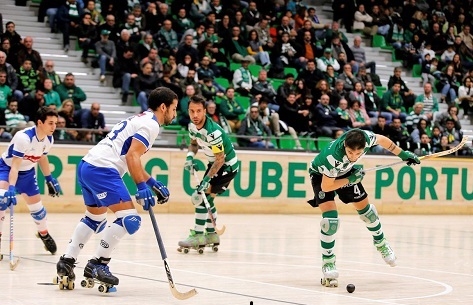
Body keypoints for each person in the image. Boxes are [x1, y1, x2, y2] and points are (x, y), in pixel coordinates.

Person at [56, 87, 177, 289]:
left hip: (88, 165)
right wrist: (140, 186)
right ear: (163, 107)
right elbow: (132, 157)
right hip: (103, 169)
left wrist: (151, 183)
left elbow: (130, 158)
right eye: (174, 108)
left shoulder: (140, 119)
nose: (175, 113)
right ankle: (97, 264)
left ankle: (67, 261)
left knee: (94, 217)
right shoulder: (151, 125)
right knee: (130, 219)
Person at [307, 128, 420, 286]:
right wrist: (352, 178)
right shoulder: (333, 157)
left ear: (364, 146)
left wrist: (402, 154)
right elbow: (327, 187)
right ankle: (328, 262)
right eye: (350, 152)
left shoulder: (366, 138)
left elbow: (382, 140)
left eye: (358, 153)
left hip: (344, 172)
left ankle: (381, 244)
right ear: (345, 145)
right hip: (322, 176)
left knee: (368, 213)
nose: (353, 157)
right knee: (330, 221)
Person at [179, 95, 239, 251]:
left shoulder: (213, 133)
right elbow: (193, 145)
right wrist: (189, 158)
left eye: (199, 111)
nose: (195, 115)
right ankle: (212, 234)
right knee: (207, 199)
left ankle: (198, 236)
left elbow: (220, 159)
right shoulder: (192, 126)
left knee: (201, 197)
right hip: (215, 164)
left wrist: (206, 180)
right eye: (192, 111)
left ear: (205, 111)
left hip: (226, 166)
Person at [0, 107, 62, 255]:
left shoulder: (49, 138)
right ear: (40, 123)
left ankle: (44, 234)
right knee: (1, 201)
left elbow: (42, 157)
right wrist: (11, 189)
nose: (54, 127)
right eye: (51, 123)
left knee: (38, 210)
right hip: (7, 169)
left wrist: (49, 179)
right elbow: (14, 166)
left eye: (56, 123)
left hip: (27, 172)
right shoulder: (24, 138)